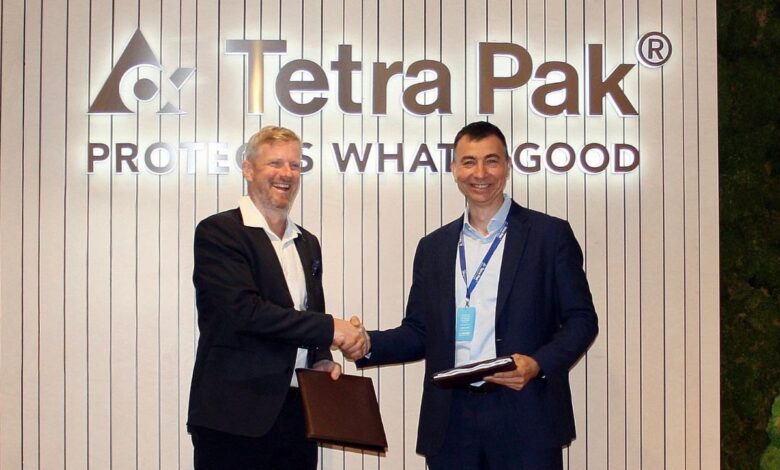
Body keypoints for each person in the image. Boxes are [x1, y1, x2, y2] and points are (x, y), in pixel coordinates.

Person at [356, 121, 599, 469]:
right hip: (452, 422)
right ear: (454, 169)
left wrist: (538, 364)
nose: (480, 173)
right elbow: (420, 332)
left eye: (491, 161)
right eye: (469, 162)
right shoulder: (433, 247)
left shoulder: (549, 235)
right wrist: (366, 343)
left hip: (526, 414)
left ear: (508, 166)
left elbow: (582, 320)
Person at [187, 126, 368, 470]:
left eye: (295, 165)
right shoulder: (219, 232)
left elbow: (306, 312)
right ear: (248, 169)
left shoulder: (307, 242)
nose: (286, 174)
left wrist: (319, 359)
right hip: (233, 420)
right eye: (275, 163)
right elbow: (245, 312)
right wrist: (331, 329)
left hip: (297, 416)